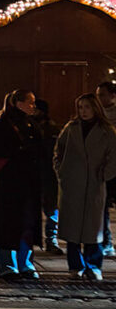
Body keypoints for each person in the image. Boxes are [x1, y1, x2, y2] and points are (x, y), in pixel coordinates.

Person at [0, 89, 44, 281]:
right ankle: (9, 265)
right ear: (18, 103)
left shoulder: (31, 124)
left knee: (27, 225)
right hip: (11, 182)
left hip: (28, 183)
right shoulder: (4, 125)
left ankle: (25, 264)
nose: (33, 106)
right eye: (29, 102)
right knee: (10, 224)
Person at [54, 93, 116, 282]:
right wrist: (61, 171)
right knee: (72, 228)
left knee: (93, 228)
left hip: (94, 184)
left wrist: (104, 175)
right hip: (72, 183)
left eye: (87, 107)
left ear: (95, 108)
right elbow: (58, 150)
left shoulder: (107, 131)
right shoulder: (71, 128)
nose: (83, 111)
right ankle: (75, 265)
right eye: (80, 107)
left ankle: (93, 265)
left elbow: (113, 156)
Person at [34, 98, 62, 254]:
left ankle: (51, 239)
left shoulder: (50, 129)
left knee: (51, 209)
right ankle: (47, 240)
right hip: (38, 172)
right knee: (48, 209)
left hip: (46, 173)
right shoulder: (28, 126)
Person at [95, 81, 116, 257]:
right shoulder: (96, 115)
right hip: (103, 166)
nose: (99, 98)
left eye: (102, 94)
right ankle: (107, 241)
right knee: (102, 206)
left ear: (112, 95)